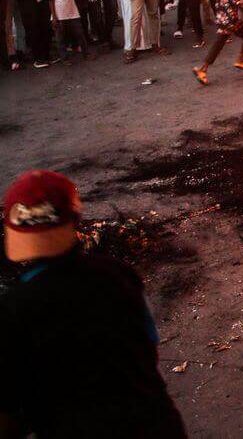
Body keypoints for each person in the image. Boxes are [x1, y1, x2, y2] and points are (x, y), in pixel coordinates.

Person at [0, 170, 186, 436]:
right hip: (157, 425)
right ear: (75, 219)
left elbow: (7, 410)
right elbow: (148, 346)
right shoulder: (118, 274)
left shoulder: (12, 310)